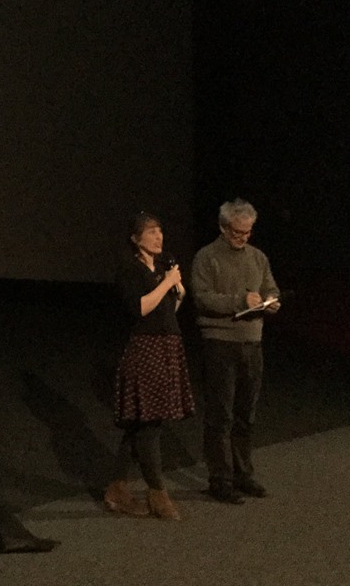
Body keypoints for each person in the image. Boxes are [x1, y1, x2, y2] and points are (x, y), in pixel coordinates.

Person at [103, 212, 195, 520]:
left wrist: (177, 292)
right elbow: (141, 307)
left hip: (167, 344)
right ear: (135, 239)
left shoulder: (161, 266)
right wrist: (167, 281)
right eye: (151, 232)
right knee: (150, 423)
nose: (159, 237)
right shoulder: (130, 269)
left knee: (141, 424)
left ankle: (117, 489)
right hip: (145, 349)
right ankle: (158, 494)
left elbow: (166, 311)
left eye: (160, 232)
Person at [190, 198, 280, 505]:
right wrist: (241, 301)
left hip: (252, 342)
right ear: (224, 228)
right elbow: (202, 299)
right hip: (220, 342)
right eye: (239, 232)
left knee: (246, 414)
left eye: (248, 232)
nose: (244, 237)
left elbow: (271, 287)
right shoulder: (207, 257)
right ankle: (220, 478)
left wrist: (271, 301)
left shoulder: (258, 257)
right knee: (221, 414)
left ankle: (243, 474)